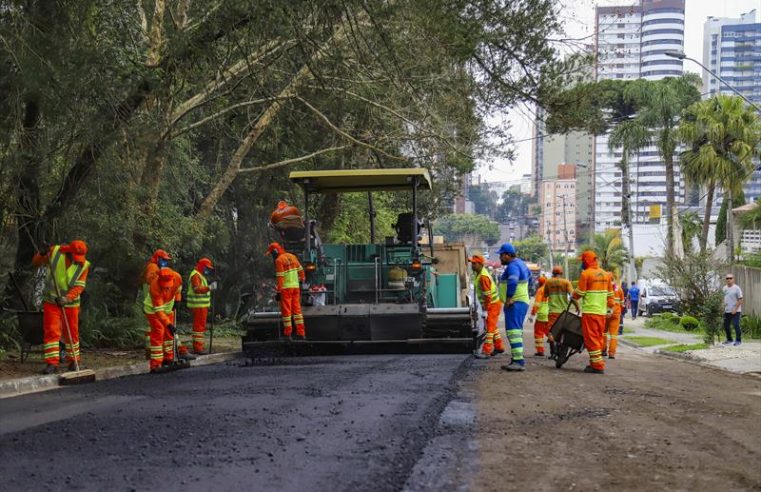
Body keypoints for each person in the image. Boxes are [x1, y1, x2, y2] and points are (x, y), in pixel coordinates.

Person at [33, 241, 90, 375]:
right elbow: (36, 263)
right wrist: (41, 254)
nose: (76, 260)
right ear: (68, 251)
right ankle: (52, 363)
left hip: (71, 304)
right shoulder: (54, 252)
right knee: (52, 331)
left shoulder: (84, 265)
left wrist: (67, 298)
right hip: (51, 301)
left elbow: (79, 286)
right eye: (74, 256)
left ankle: (74, 361)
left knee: (72, 333)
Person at [573, 250, 613, 374]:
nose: (582, 264)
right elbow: (610, 295)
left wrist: (572, 296)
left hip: (590, 312)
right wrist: (610, 309)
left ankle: (597, 365)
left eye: (582, 261)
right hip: (602, 313)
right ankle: (595, 362)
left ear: (586, 261)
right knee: (599, 338)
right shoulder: (606, 275)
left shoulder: (586, 274)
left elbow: (580, 293)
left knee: (591, 339)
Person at [497, 243, 530, 372]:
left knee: (513, 332)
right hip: (521, 301)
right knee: (516, 331)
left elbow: (513, 281)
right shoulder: (521, 263)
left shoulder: (513, 266)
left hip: (515, 303)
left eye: (501, 255)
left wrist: (509, 298)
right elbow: (530, 280)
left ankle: (518, 361)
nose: (500, 258)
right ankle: (516, 359)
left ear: (507, 255)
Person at [144, 267, 182, 372]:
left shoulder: (177, 277)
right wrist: (168, 324)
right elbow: (159, 311)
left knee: (169, 334)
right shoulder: (154, 287)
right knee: (159, 332)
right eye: (164, 285)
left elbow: (178, 289)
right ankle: (156, 364)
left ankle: (168, 358)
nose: (167, 288)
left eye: (168, 284)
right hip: (153, 311)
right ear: (159, 280)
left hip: (169, 309)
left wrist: (177, 300)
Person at [267, 242, 307, 339]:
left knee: (287, 312)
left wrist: (279, 292)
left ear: (275, 251)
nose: (272, 256)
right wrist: (301, 280)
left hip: (286, 289)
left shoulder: (279, 260)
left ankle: (288, 334)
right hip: (295, 287)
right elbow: (301, 270)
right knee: (297, 311)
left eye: (272, 253)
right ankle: (301, 333)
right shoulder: (292, 256)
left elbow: (280, 277)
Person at [469, 255, 505, 357]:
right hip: (491, 304)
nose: (472, 265)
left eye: (474, 263)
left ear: (480, 264)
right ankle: (499, 347)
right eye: (471, 263)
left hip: (492, 304)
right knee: (493, 327)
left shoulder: (483, 277)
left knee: (489, 329)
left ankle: (486, 351)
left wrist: (485, 308)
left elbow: (488, 295)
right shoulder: (479, 274)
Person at [187, 257, 217, 354]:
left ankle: (198, 346)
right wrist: (210, 288)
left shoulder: (199, 275)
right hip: (198, 306)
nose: (207, 270)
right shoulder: (196, 275)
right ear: (202, 266)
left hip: (201, 306)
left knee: (199, 327)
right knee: (198, 327)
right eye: (206, 268)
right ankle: (198, 348)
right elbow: (197, 289)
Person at [544, 265, 576, 357]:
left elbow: (545, 295)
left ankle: (553, 352)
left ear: (553, 273)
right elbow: (572, 297)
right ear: (561, 273)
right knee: (562, 331)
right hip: (564, 313)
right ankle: (560, 348)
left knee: (551, 332)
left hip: (553, 311)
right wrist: (577, 307)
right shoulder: (566, 282)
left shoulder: (548, 282)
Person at [603, 272, 625, 359]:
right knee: (614, 335)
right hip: (616, 314)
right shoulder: (619, 289)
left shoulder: (604, 288)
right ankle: (611, 353)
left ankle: (603, 350)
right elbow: (622, 303)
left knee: (603, 333)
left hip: (605, 313)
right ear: (613, 279)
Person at [529, 276, 549, 357]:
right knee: (549, 332)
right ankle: (556, 348)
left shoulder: (540, 290)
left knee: (538, 333)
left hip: (541, 315)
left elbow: (537, 304)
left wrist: (532, 314)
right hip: (550, 314)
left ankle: (540, 351)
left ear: (540, 282)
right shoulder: (550, 289)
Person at [722, 273, 744, 346]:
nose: (729, 279)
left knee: (735, 324)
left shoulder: (737, 288)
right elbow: (723, 299)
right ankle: (729, 339)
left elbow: (740, 300)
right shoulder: (724, 288)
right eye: (727, 278)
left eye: (730, 278)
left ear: (733, 279)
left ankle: (738, 340)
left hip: (736, 311)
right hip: (727, 310)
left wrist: (735, 308)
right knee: (726, 326)